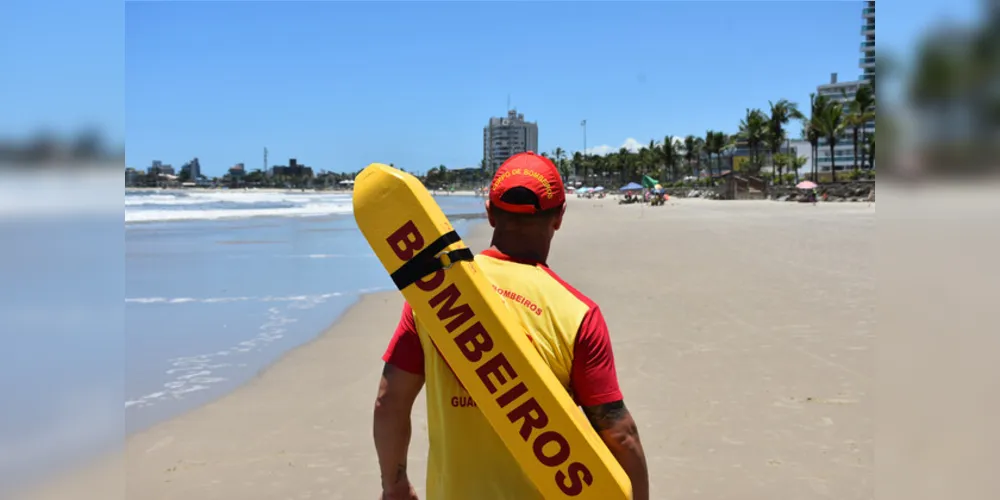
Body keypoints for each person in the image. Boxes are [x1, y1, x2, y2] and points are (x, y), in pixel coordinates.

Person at [373, 152, 649, 500]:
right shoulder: (577, 314)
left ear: (489, 213)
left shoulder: (435, 296)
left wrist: (394, 483)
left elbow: (389, 401)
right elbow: (619, 434)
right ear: (559, 217)